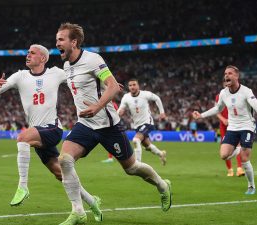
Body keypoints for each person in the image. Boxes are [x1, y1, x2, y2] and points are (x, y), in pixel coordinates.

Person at [56, 22, 171, 225]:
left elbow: (113, 86)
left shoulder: (92, 59)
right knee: (65, 160)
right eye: (57, 39)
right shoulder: (66, 66)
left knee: (132, 168)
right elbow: (101, 85)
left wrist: (98, 106)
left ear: (74, 42)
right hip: (85, 124)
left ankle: (162, 186)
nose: (57, 43)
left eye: (61, 39)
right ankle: (78, 211)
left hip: (108, 125)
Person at [0, 44, 102, 220]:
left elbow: (78, 77)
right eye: (27, 52)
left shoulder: (56, 73)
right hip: (39, 132)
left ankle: (23, 186)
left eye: (32, 53)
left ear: (43, 58)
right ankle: (92, 202)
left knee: (22, 138)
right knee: (61, 174)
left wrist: (102, 80)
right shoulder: (20, 76)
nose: (28, 55)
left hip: (52, 128)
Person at [193, 65, 257, 195]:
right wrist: (201, 115)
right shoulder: (223, 93)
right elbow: (217, 109)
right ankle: (240, 148)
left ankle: (251, 186)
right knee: (223, 155)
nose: (226, 75)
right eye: (225, 73)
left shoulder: (246, 91)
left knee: (245, 159)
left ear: (237, 76)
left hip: (247, 126)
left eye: (229, 73)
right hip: (232, 127)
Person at [118, 78, 167, 164]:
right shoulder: (126, 97)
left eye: (134, 85)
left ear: (138, 86)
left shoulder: (145, 94)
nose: (132, 87)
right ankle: (161, 153)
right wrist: (118, 114)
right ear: (128, 87)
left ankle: (138, 164)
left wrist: (162, 112)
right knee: (147, 145)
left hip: (147, 122)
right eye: (130, 85)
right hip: (137, 125)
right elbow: (120, 110)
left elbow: (157, 98)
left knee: (136, 140)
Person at [215, 80, 244, 177]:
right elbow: (217, 111)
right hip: (224, 126)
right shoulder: (220, 96)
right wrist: (223, 119)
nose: (227, 84)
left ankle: (239, 169)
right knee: (226, 148)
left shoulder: (238, 95)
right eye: (225, 83)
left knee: (239, 145)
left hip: (235, 125)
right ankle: (230, 170)